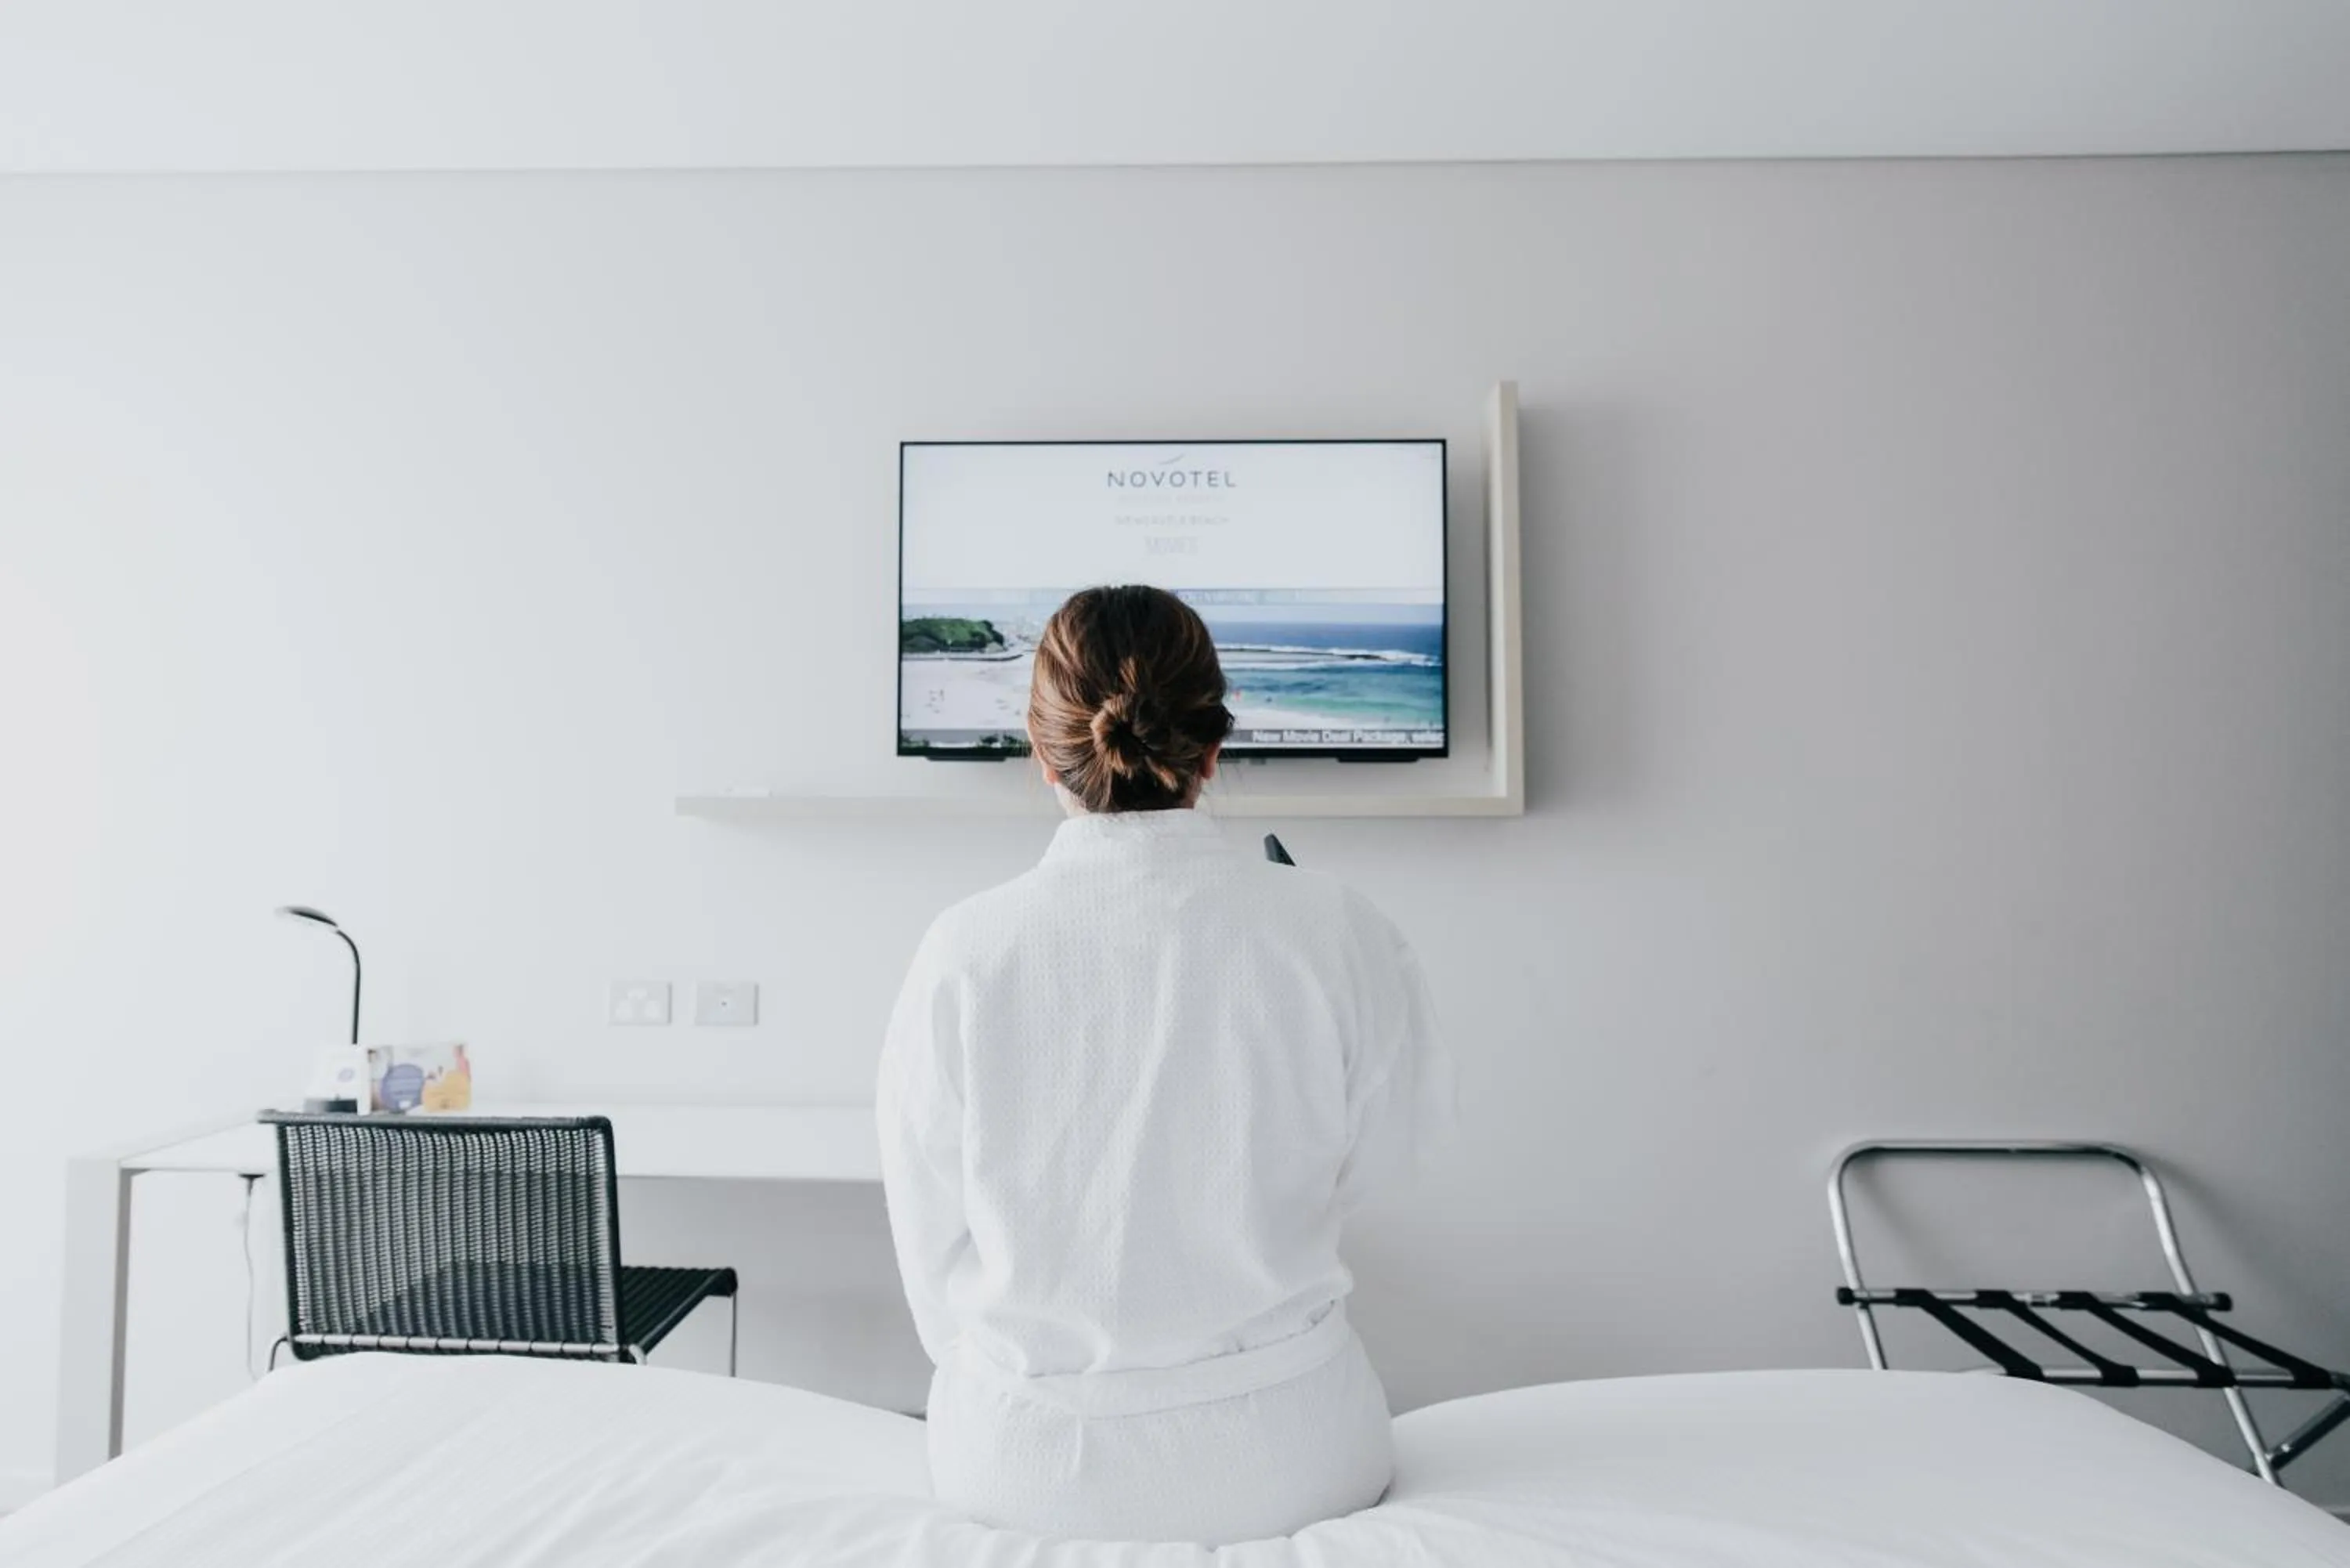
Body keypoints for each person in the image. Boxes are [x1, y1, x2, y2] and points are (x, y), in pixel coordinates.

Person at [876, 584, 1452, 1545]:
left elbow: (931, 1247)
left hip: (1022, 1463)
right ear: (1215, 745)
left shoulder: (963, 950)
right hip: (1292, 1452)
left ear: (1038, 747)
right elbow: (1397, 1163)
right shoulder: (1336, 928)